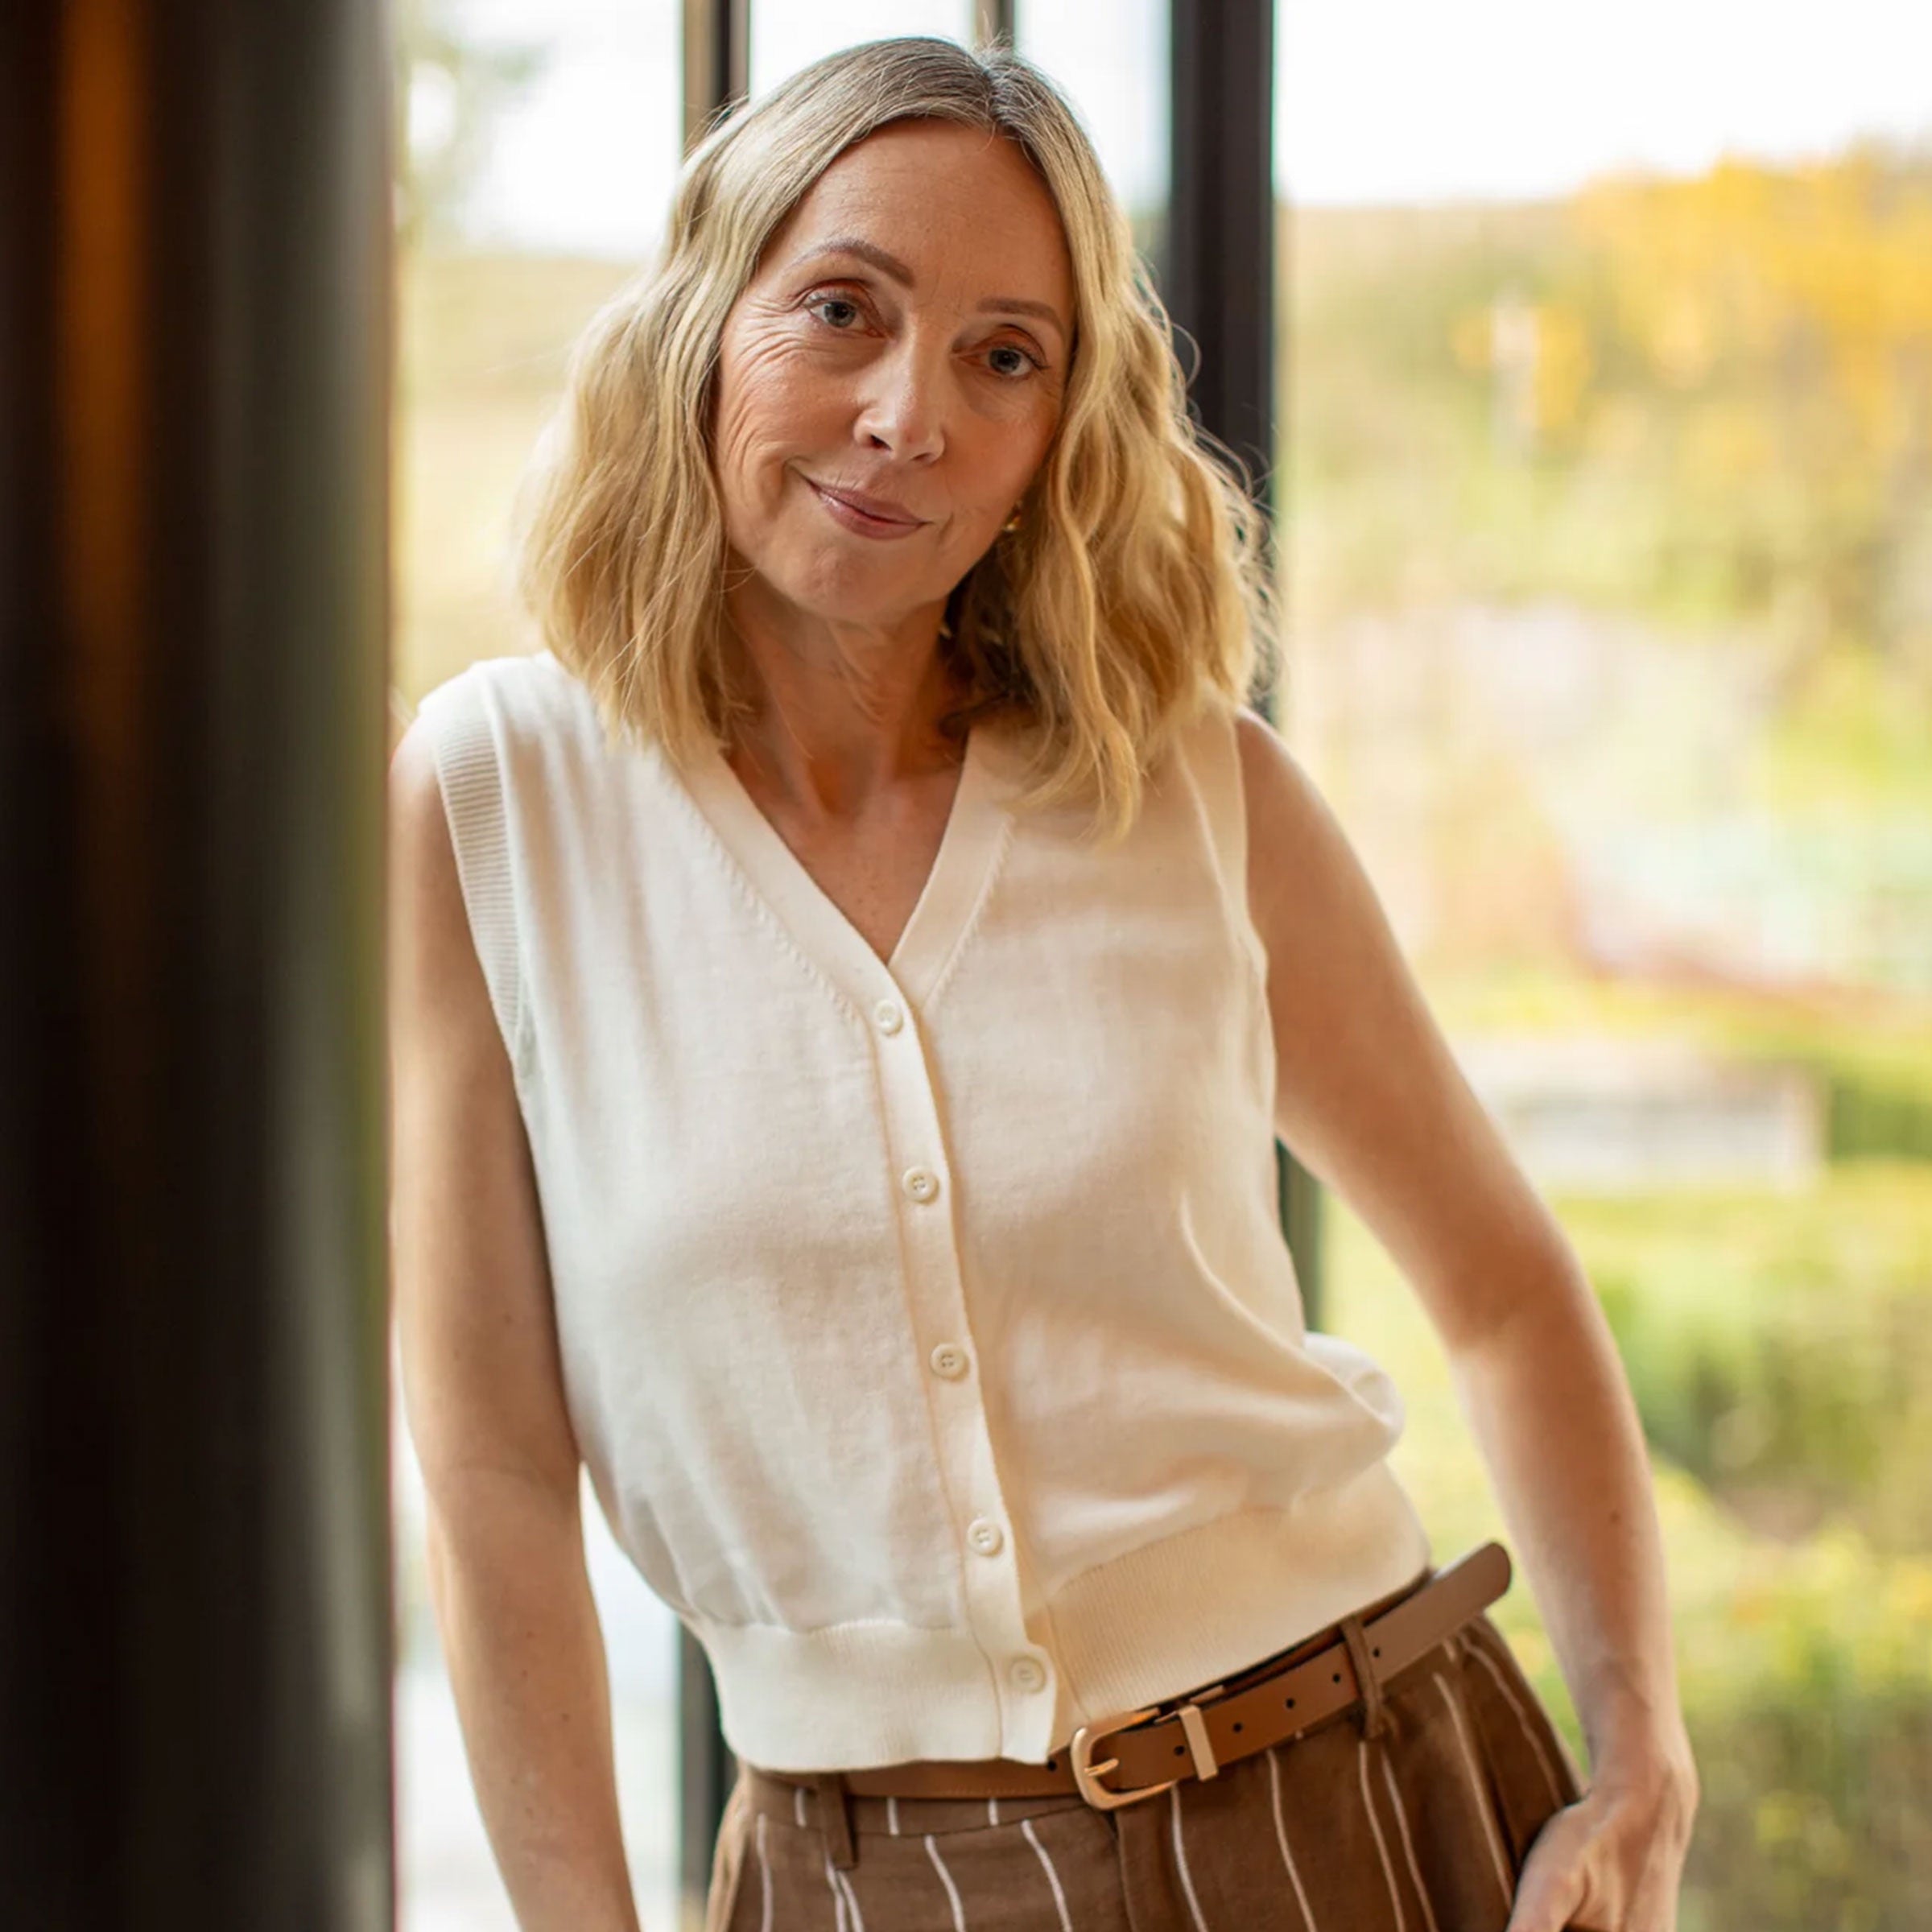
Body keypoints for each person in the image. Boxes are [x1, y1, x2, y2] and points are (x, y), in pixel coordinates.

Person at [387, 35, 1698, 1932]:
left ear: (1057, 438)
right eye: (842, 310)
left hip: (1358, 1803)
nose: (907, 414)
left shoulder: (1196, 791)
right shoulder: (493, 803)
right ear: (704, 321)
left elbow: (1502, 1285)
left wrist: (1643, 1751)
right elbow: (498, 1472)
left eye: (1004, 357)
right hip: (856, 1873)